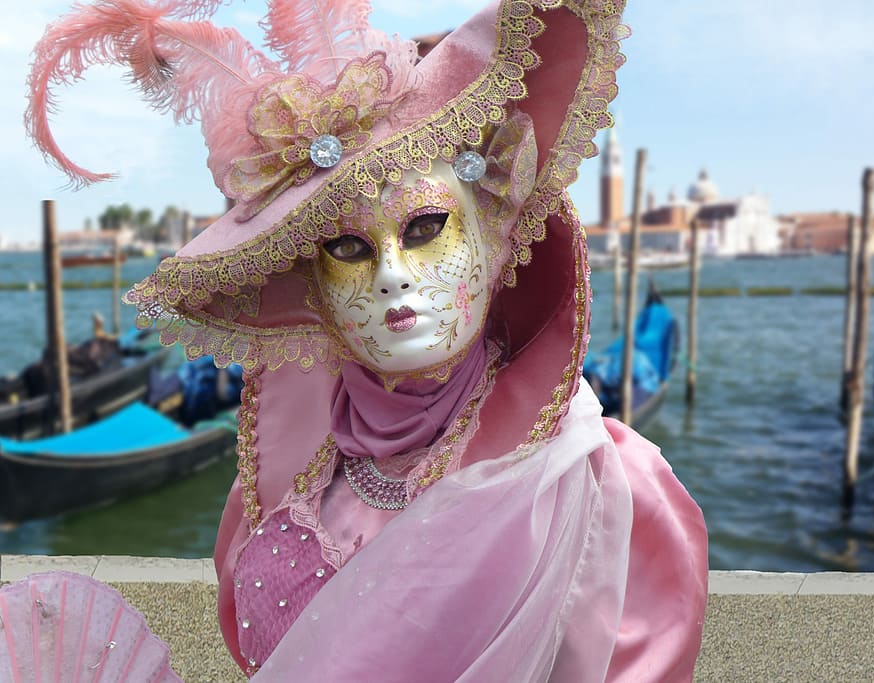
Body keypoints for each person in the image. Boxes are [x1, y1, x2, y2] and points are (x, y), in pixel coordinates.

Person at [25, 0, 708, 680]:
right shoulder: (282, 476)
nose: (390, 276)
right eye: (348, 247)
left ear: (494, 234)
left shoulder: (602, 488)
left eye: (424, 229)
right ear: (313, 286)